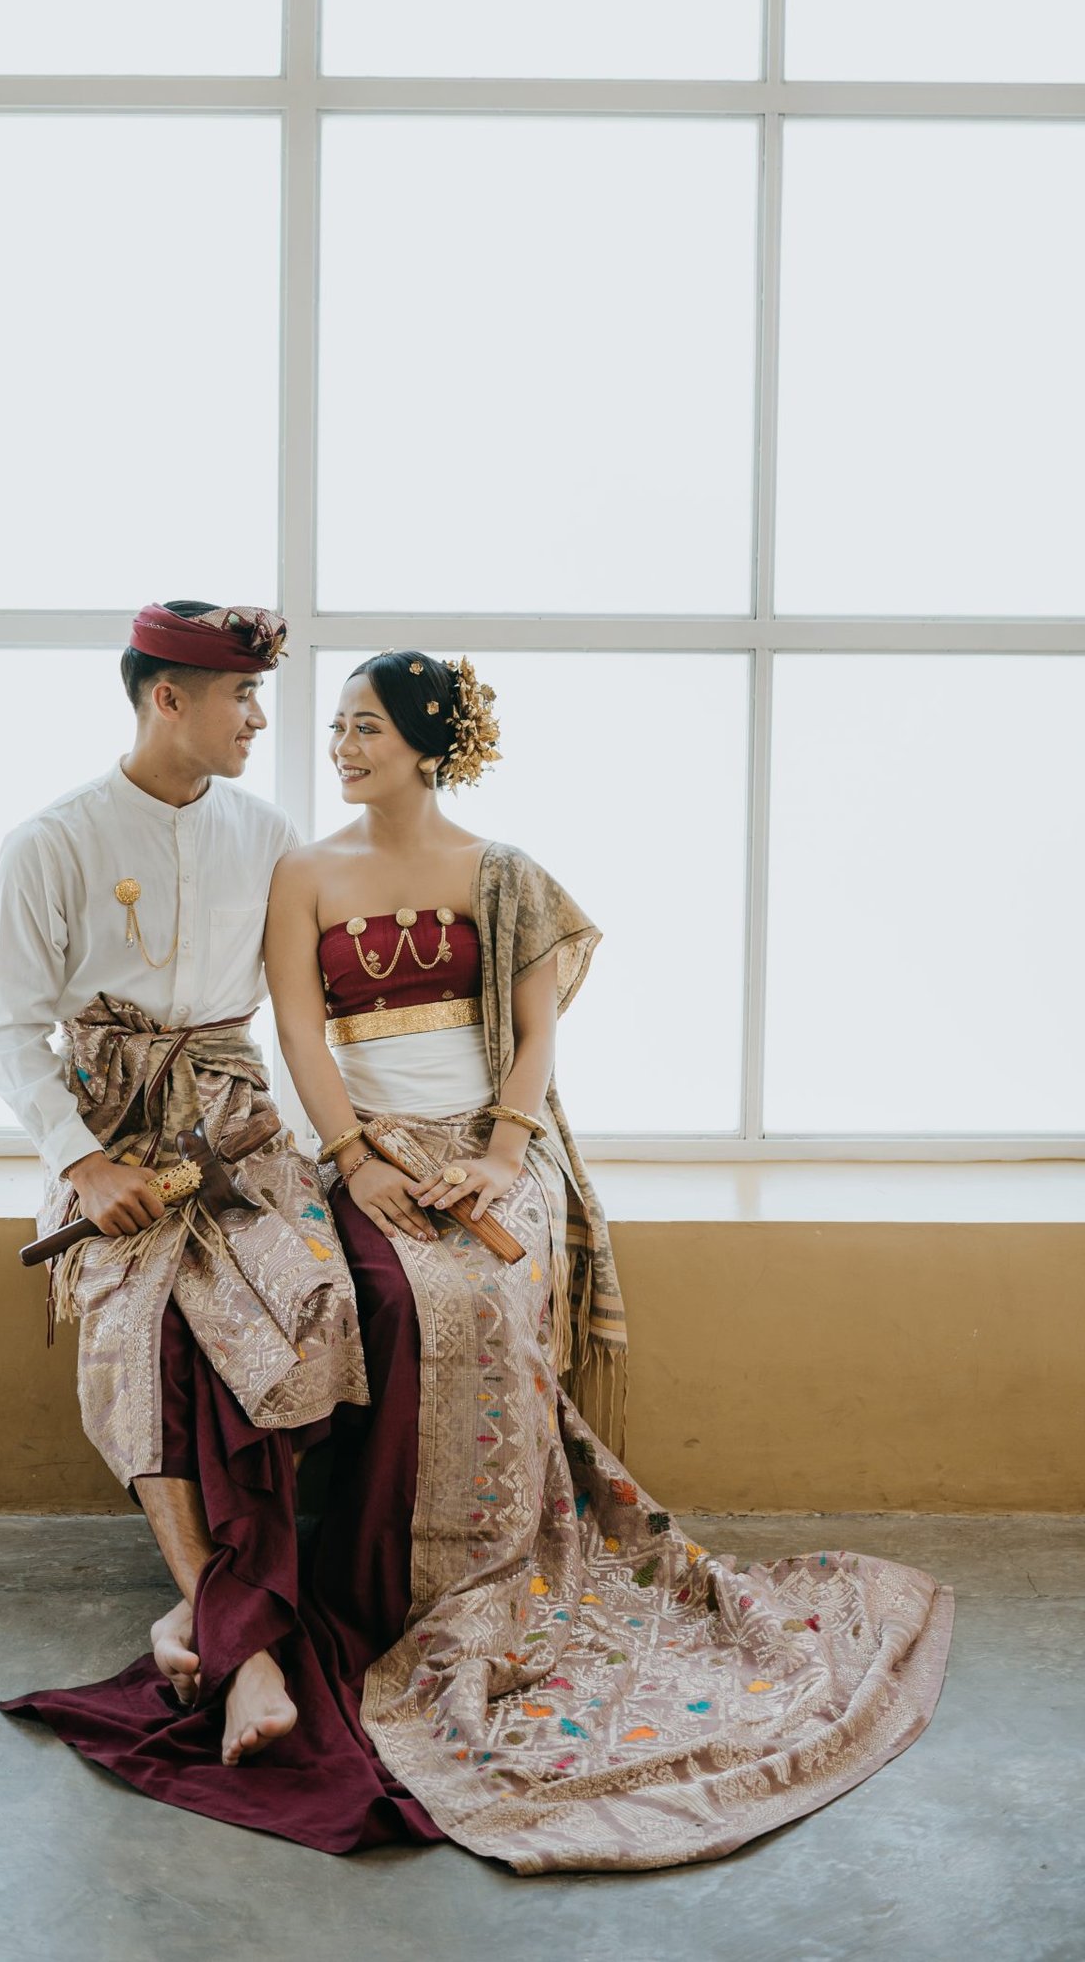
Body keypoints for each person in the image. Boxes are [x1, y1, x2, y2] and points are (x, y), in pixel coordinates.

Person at [261, 649, 956, 1871]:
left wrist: (498, 1158)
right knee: (395, 1293)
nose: (341, 746)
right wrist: (356, 1160)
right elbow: (299, 1031)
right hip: (364, 1147)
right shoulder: (303, 872)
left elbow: (535, 1035)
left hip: (495, 1148)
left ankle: (491, 1574)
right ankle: (378, 1580)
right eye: (337, 727)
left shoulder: (505, 872)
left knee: (486, 1286)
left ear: (427, 743)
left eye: (365, 727)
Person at [0, 600, 372, 1817]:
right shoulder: (50, 840)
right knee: (142, 1322)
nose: (258, 719)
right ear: (168, 697)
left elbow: (310, 1012)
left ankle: (204, 1612)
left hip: (240, 1131)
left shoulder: (271, 836)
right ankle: (241, 1640)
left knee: (307, 1304)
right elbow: (9, 1032)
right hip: (112, 1144)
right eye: (240, 696)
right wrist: (81, 1164)